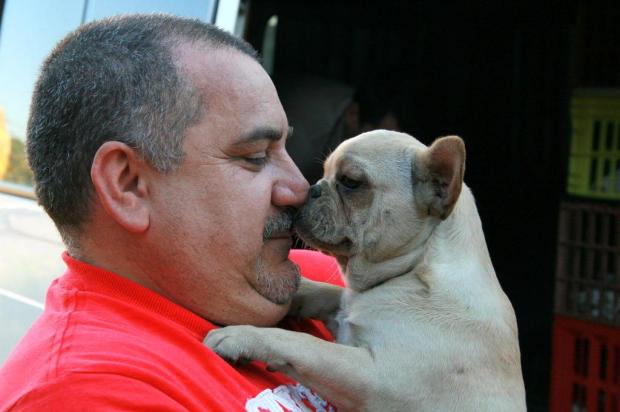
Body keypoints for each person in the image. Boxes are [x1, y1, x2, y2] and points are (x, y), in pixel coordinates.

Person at [0, 14, 344, 411]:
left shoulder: (315, 282)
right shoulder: (82, 391)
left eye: (285, 148)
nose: (300, 189)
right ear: (128, 185)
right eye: (254, 157)